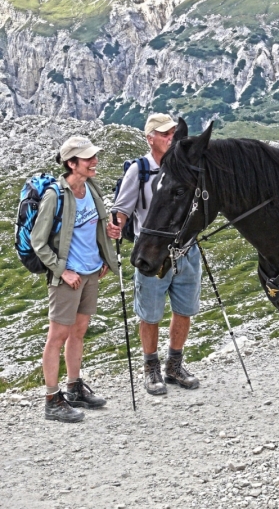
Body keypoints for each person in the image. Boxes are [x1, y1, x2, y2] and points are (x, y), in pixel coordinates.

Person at [108, 113, 201, 395]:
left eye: (173, 132)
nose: (170, 137)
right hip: (152, 255)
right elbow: (122, 209)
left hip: (187, 251)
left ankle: (174, 365)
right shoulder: (139, 170)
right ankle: (151, 369)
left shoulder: (184, 166)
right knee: (150, 314)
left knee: (184, 310)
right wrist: (117, 225)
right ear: (150, 138)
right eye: (163, 133)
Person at [32, 136, 118, 423]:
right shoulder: (55, 195)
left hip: (92, 272)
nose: (94, 161)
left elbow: (97, 227)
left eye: (94, 156)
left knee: (79, 332)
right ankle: (51, 400)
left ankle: (74, 388)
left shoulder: (90, 188)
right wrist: (61, 270)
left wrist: (107, 253)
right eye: (87, 158)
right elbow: (38, 241)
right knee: (57, 337)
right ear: (71, 163)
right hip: (68, 279)